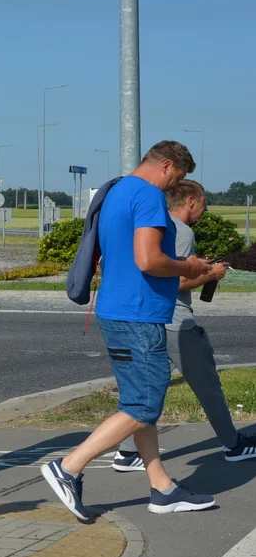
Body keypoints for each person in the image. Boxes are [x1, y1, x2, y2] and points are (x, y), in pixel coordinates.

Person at [42, 141, 215, 520]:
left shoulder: (117, 190)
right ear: (167, 166)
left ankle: (163, 488)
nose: (175, 186)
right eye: (179, 178)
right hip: (139, 315)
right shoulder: (149, 197)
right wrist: (189, 267)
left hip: (117, 311)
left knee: (139, 404)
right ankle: (68, 467)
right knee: (143, 404)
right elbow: (149, 259)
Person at [112, 180, 253, 471]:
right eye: (204, 203)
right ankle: (234, 445)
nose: (205, 209)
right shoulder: (181, 231)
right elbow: (174, 282)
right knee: (208, 385)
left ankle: (127, 453)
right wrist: (209, 274)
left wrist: (196, 267)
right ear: (190, 201)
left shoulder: (155, 227)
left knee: (150, 389)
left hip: (150, 319)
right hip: (176, 321)